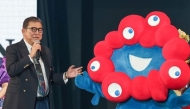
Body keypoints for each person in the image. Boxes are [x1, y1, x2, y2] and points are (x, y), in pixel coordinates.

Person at [2, 16, 83, 109]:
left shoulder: (45, 51)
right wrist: (30, 56)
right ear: (23, 31)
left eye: (40, 30)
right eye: (33, 29)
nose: (37, 33)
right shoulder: (14, 48)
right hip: (22, 101)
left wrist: (66, 75)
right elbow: (11, 71)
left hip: (43, 101)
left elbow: (49, 77)